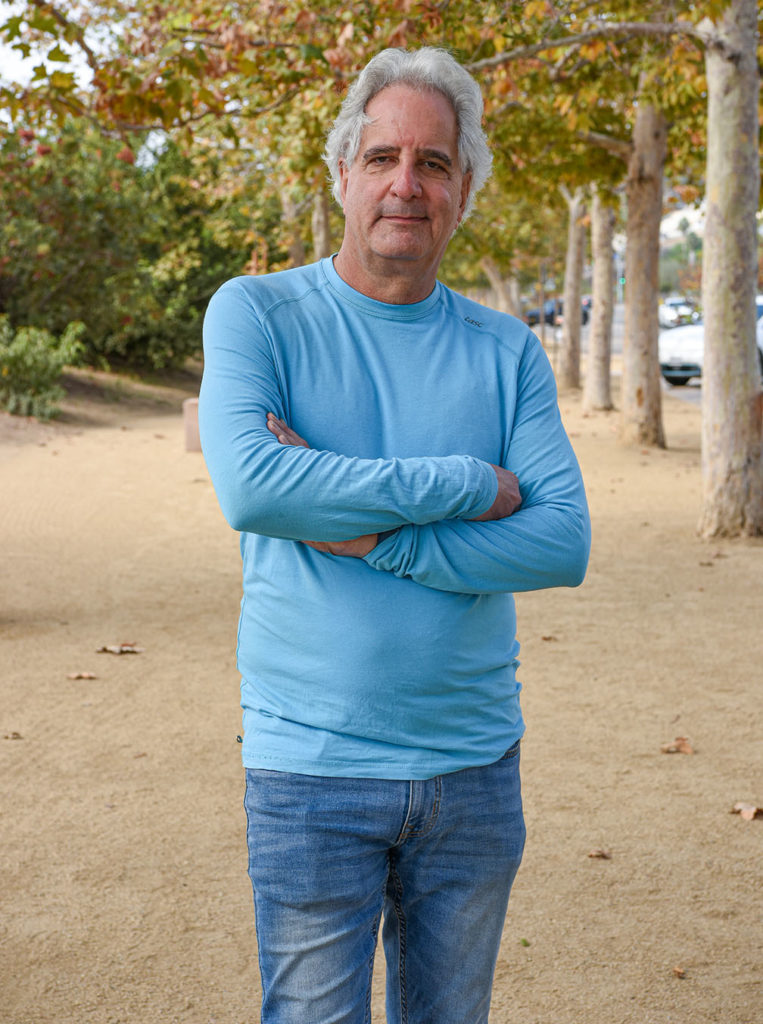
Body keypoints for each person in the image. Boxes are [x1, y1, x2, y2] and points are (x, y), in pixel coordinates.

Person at [199, 46, 590, 1024]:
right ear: (342, 174)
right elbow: (256, 487)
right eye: (381, 158)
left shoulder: (505, 350)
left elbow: (559, 542)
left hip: (471, 768)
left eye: (434, 163)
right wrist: (466, 482)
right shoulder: (258, 314)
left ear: (466, 188)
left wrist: (373, 539)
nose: (405, 185)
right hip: (309, 768)